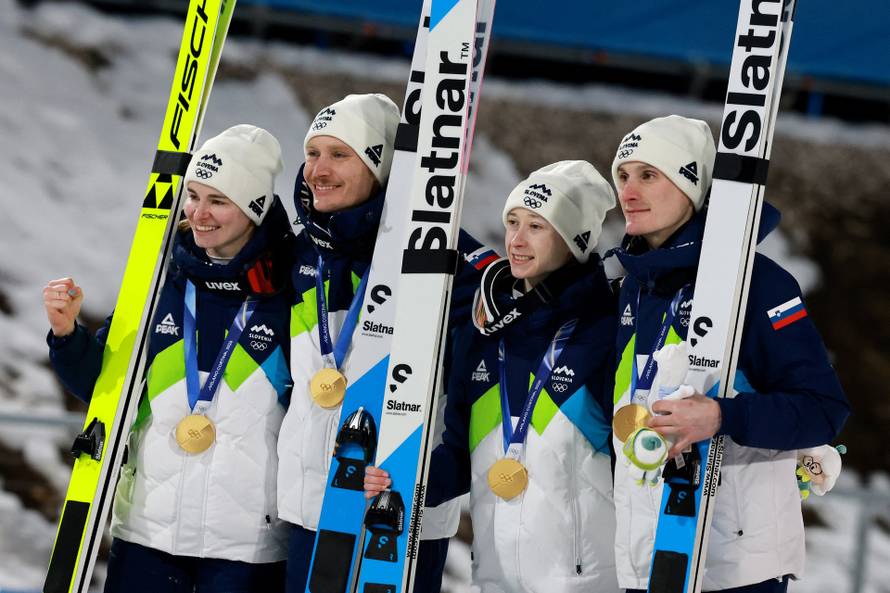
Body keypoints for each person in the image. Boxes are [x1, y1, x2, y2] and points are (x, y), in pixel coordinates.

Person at [43, 125, 295, 592]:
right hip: (148, 534)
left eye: (218, 201)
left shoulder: (290, 294)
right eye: (193, 196)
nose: (198, 214)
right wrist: (65, 333)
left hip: (247, 547)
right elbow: (102, 389)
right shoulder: (160, 282)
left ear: (254, 207)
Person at [608, 115, 850, 593]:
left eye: (649, 175)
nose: (628, 191)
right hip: (649, 557)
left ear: (692, 186)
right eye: (622, 175)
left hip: (736, 568)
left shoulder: (757, 282)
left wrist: (722, 416)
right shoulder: (633, 288)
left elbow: (824, 409)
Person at [367, 161, 622, 593]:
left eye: (537, 226)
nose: (517, 241)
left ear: (576, 240)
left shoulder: (606, 329)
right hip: (495, 575)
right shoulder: (485, 332)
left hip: (587, 581)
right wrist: (406, 480)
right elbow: (459, 453)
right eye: (512, 223)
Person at [277, 93, 489, 593]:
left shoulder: (449, 263)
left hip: (393, 513)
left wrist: (435, 478)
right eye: (312, 153)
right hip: (311, 505)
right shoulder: (303, 250)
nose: (317, 170)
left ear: (381, 167)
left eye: (340, 155)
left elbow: (472, 397)